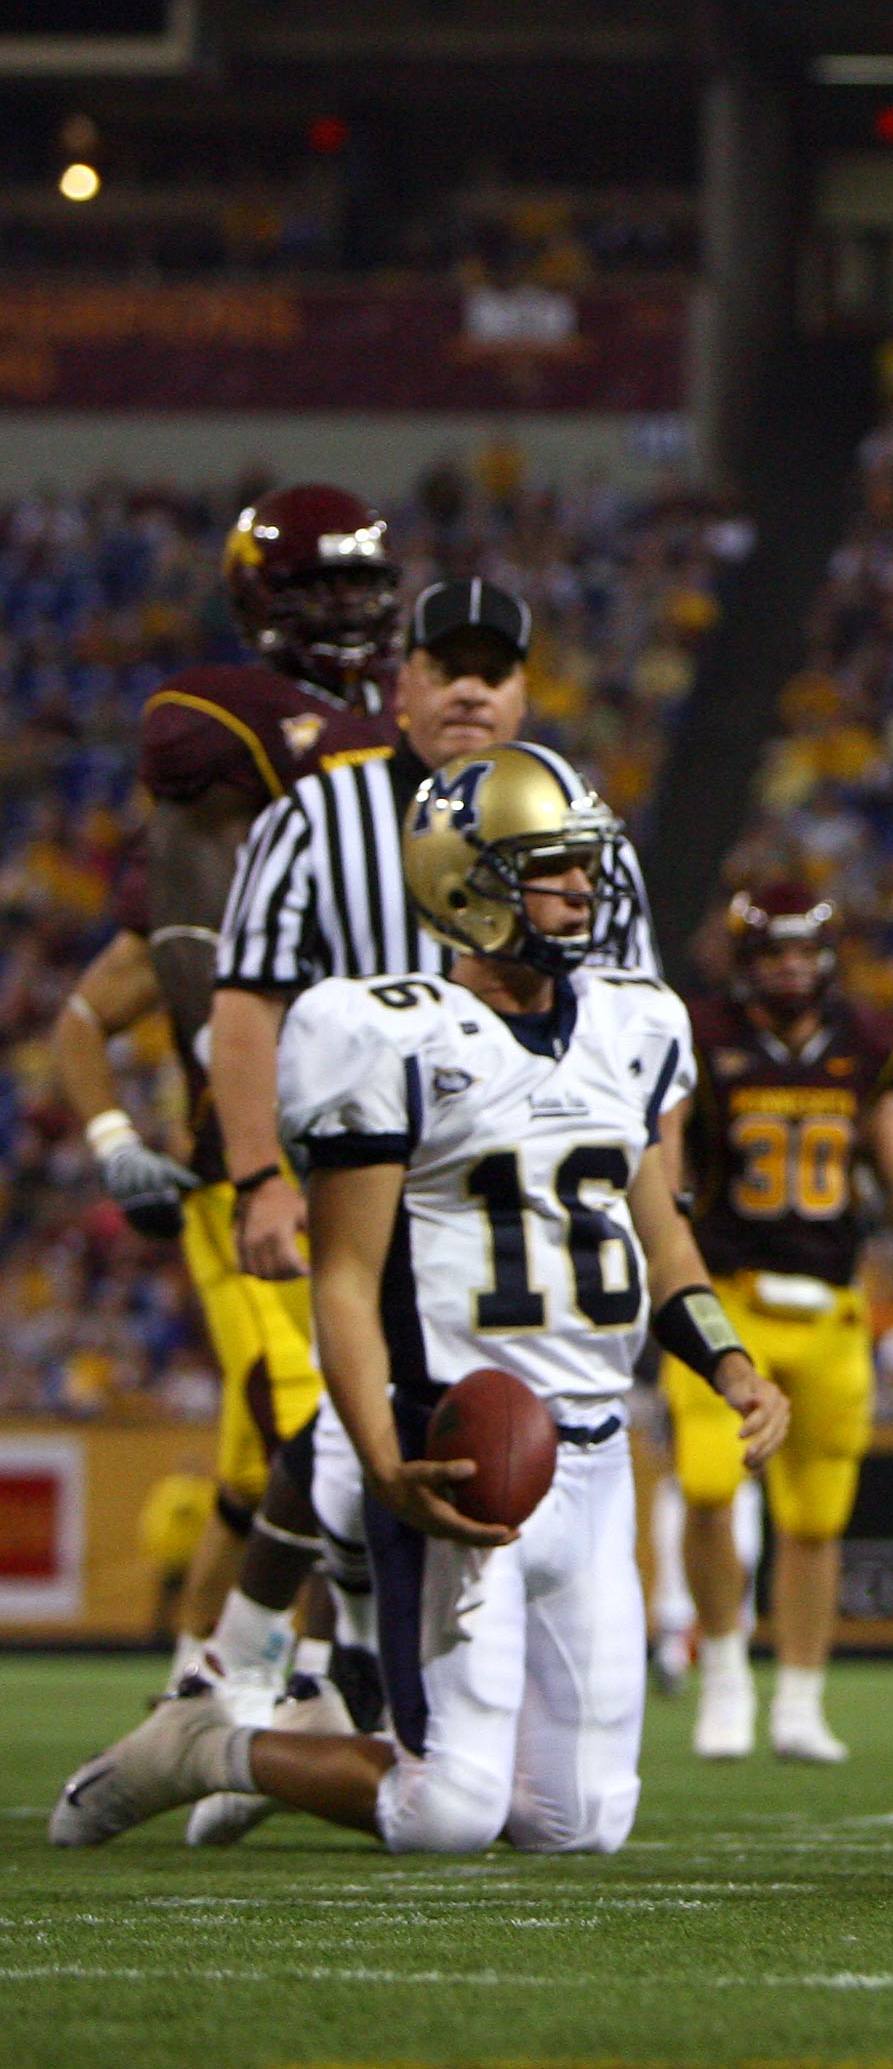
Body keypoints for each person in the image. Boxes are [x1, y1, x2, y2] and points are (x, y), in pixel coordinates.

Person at [52, 744, 786, 1856]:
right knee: (445, 1810)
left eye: (586, 866)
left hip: (591, 1465)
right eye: (552, 868)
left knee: (579, 1823)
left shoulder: (636, 1025)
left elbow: (660, 1231)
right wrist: (383, 1457)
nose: (583, 891)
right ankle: (208, 1744)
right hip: (457, 1445)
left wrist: (730, 1363)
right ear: (469, 883)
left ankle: (269, 1735)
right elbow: (344, 1274)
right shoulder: (387, 1032)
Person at [185, 577, 658, 1842]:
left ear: (523, 691)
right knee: (346, 1457)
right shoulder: (326, 815)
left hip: (513, 1236)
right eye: (443, 665)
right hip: (369, 1182)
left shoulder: (574, 832)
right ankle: (252, 1694)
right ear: (396, 685)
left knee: (380, 1478)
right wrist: (259, 1174)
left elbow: (628, 1077)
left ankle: (313, 1711)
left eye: (494, 670)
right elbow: (247, 1000)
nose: (470, 689)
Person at [128, 485, 397, 1705]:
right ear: (260, 601)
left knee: (333, 1437)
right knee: (320, 1426)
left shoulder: (416, 719)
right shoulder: (223, 719)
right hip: (279, 1134)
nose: (345, 608)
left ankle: (257, 1682)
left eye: (358, 583)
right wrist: (247, 1136)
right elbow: (193, 938)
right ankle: (255, 1677)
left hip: (394, 1127)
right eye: (317, 587)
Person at [671, 880, 893, 1764]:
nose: (792, 969)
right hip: (727, 1294)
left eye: (805, 952)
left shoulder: (865, 1042)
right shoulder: (701, 1036)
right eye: (774, 954)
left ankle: (799, 1698)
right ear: (745, 960)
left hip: (833, 1306)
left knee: (815, 1519)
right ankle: (724, 1672)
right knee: (707, 1487)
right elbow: (663, 1151)